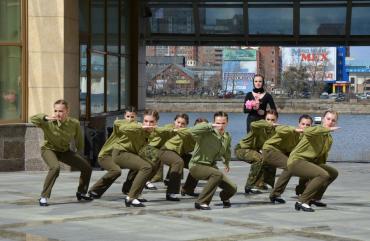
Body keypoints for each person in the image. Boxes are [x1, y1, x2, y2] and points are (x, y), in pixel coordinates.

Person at [30, 99, 92, 206]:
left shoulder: (74, 123)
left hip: (64, 151)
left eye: (61, 111)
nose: (57, 114)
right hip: (48, 149)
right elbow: (32, 119)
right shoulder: (48, 123)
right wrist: (46, 117)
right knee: (55, 168)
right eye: (56, 111)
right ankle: (44, 197)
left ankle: (81, 192)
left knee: (86, 167)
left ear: (67, 111)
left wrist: (79, 152)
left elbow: (79, 139)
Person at [287, 110, 340, 212]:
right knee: (323, 175)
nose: (330, 122)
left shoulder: (329, 138)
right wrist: (324, 129)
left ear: (335, 123)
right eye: (328, 119)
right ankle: (302, 201)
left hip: (308, 163)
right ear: (323, 119)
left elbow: (322, 157)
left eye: (333, 120)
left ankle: (314, 198)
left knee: (332, 173)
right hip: (296, 161)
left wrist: (318, 169)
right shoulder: (315, 129)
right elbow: (307, 131)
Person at [112, 109, 160, 207]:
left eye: (151, 122)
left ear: (156, 122)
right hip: (120, 152)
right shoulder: (136, 126)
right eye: (146, 121)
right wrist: (140, 127)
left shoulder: (154, 131)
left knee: (156, 159)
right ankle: (131, 197)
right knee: (146, 167)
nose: (148, 124)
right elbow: (123, 129)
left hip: (134, 153)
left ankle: (134, 191)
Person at [189, 111, 237, 210]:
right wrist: (210, 125)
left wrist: (226, 162)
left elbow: (227, 150)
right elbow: (192, 131)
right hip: (197, 165)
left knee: (232, 188)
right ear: (213, 122)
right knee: (217, 174)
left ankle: (224, 198)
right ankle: (201, 202)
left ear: (227, 123)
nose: (220, 126)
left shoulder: (227, 136)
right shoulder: (206, 133)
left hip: (211, 167)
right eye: (218, 123)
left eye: (223, 123)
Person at [87, 106, 138, 199]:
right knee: (116, 171)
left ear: (136, 117)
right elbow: (127, 127)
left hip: (120, 156)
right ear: (124, 116)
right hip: (106, 155)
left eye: (132, 117)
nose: (130, 119)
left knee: (138, 164)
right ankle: (94, 190)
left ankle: (127, 189)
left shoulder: (137, 126)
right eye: (128, 116)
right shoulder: (118, 123)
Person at [262, 114, 313, 204]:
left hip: (282, 153)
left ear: (311, 126)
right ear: (298, 124)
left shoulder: (305, 137)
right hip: (270, 150)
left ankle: (301, 191)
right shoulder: (291, 130)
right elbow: (279, 128)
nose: (304, 127)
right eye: (303, 124)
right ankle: (275, 194)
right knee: (289, 167)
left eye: (307, 125)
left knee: (304, 165)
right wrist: (294, 129)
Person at [157, 117, 208, 201]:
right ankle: (171, 192)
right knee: (178, 162)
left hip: (180, 154)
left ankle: (188, 190)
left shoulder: (205, 138)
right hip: (166, 150)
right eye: (199, 128)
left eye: (204, 128)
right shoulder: (188, 132)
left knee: (198, 164)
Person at [234, 110, 278, 194]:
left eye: (273, 120)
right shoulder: (258, 127)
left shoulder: (274, 131)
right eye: (268, 119)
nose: (270, 122)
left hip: (255, 150)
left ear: (276, 120)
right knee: (258, 158)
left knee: (271, 157)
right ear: (264, 119)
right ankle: (249, 186)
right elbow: (252, 124)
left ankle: (261, 183)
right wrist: (268, 124)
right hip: (241, 149)